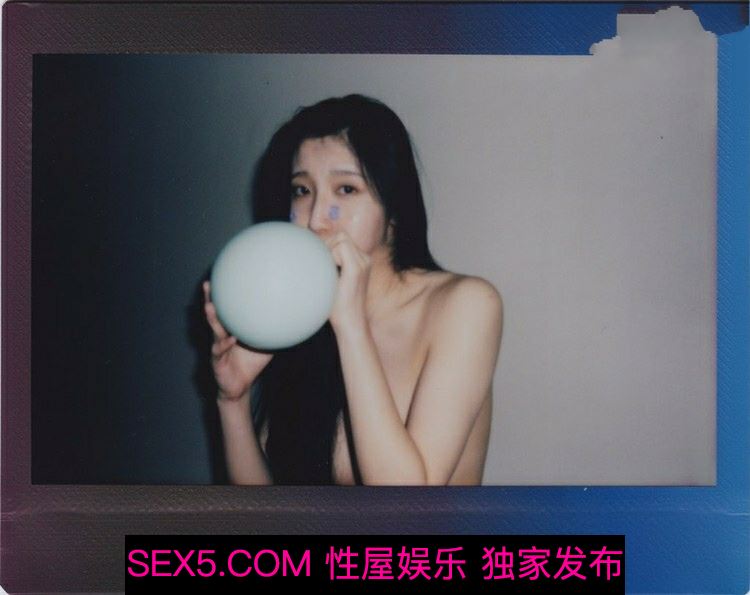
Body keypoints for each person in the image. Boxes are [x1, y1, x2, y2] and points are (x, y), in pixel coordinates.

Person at [203, 94, 503, 486]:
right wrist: (233, 400)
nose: (316, 219)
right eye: (302, 190)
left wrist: (351, 327)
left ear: (394, 209)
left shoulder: (466, 304)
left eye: (346, 189)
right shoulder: (302, 313)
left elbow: (408, 504)